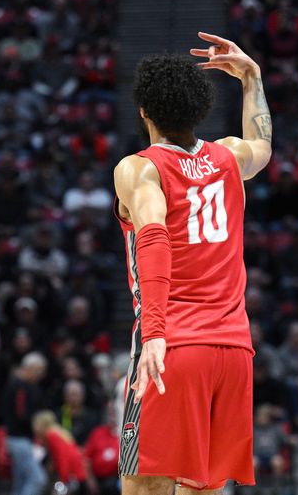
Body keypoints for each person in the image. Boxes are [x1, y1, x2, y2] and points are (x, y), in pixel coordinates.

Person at [113, 32, 272, 494]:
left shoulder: (139, 167)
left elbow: (155, 238)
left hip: (176, 346)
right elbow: (260, 145)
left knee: (144, 486)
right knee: (205, 489)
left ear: (144, 110)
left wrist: (156, 334)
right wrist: (251, 76)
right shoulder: (229, 156)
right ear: (198, 109)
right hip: (235, 352)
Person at [0, 352, 48, 495]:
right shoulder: (19, 387)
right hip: (18, 439)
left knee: (21, 482)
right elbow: (22, 414)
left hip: (21, 439)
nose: (41, 374)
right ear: (30, 368)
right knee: (38, 479)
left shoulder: (24, 386)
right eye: (40, 370)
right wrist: (37, 424)